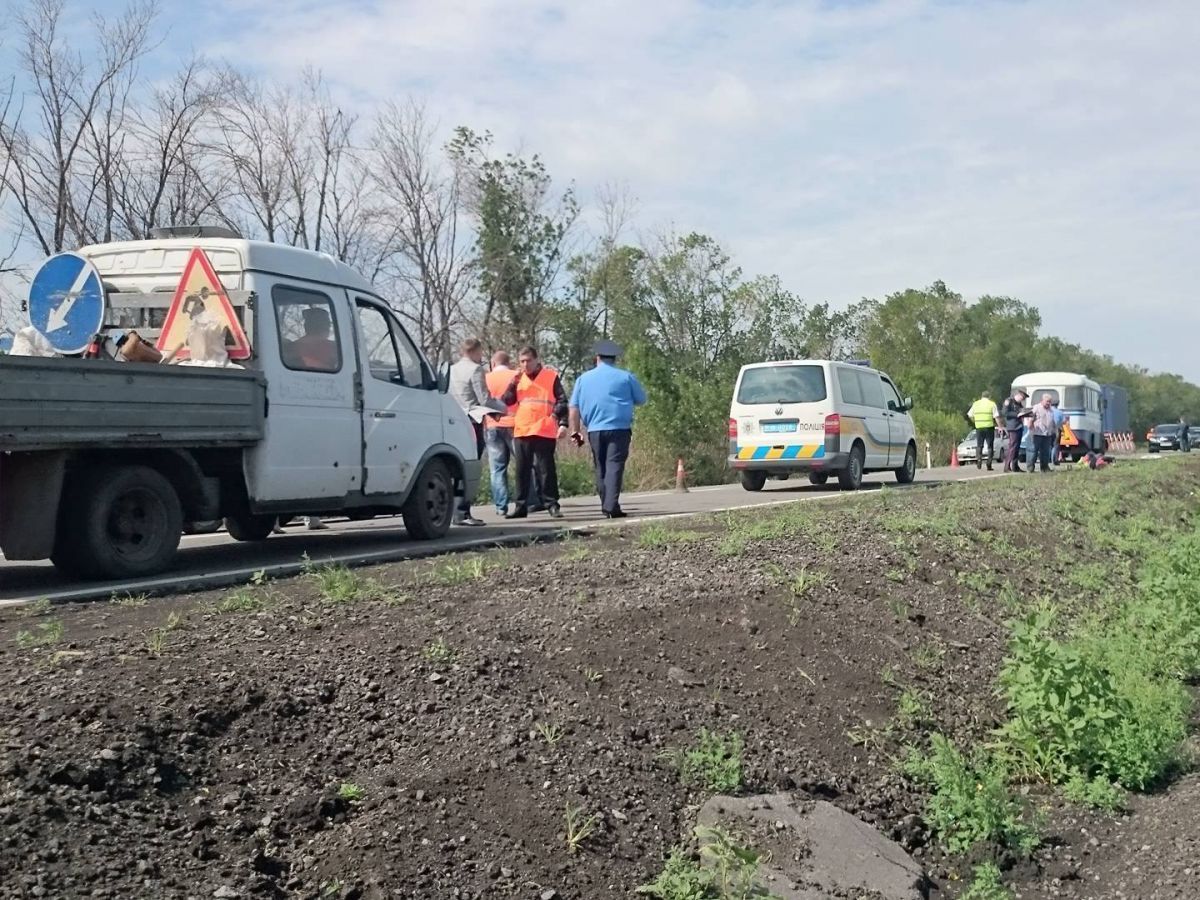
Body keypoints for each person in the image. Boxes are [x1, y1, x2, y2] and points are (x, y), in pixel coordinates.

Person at [568, 339, 647, 518]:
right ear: (615, 359)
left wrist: (575, 430)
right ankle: (611, 506)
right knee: (614, 465)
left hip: (594, 429)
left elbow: (574, 407)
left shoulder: (583, 379)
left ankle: (608, 505)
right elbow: (641, 399)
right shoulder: (626, 377)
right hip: (619, 427)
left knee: (600, 467)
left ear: (597, 357)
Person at [501, 346, 568, 519]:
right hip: (523, 429)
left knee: (546, 469)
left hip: (544, 428)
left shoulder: (550, 376)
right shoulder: (518, 379)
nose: (525, 364)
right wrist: (512, 383)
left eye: (528, 360)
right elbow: (507, 400)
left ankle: (552, 504)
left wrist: (556, 416)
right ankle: (521, 506)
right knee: (522, 470)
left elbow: (562, 400)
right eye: (522, 361)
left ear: (537, 359)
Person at [484, 351, 545, 515]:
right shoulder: (517, 376)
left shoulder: (486, 378)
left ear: (493, 363)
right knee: (524, 465)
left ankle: (500, 506)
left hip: (492, 425)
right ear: (509, 362)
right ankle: (531, 501)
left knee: (497, 469)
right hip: (514, 424)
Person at [447, 338, 498, 526]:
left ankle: (454, 511)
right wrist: (500, 408)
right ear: (476, 351)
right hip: (472, 420)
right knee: (470, 466)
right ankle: (463, 512)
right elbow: (484, 399)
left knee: (455, 467)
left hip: (453, 421)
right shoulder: (475, 370)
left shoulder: (451, 369)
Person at [284, 307, 338, 371]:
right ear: (325, 326)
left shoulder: (291, 347)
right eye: (328, 324)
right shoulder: (334, 348)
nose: (329, 327)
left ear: (306, 326)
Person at [966, 390, 1002, 471]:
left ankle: (979, 460)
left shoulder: (976, 404)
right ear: (989, 396)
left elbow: (969, 415)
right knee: (990, 445)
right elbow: (996, 417)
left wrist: (975, 421)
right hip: (989, 427)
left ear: (981, 396)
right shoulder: (992, 404)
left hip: (979, 427)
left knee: (979, 445)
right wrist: (1000, 427)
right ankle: (989, 463)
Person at [1027, 394, 1057, 473]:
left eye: (1050, 402)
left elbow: (1052, 421)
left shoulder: (1051, 410)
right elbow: (1031, 419)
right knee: (1033, 451)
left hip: (1047, 434)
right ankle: (1030, 468)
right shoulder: (1036, 407)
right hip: (1037, 433)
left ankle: (1044, 467)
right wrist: (1030, 428)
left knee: (1046, 452)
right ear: (1042, 400)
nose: (1048, 403)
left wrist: (1054, 431)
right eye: (1047, 401)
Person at [1000, 389, 1027, 473]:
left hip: (1019, 426)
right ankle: (1007, 466)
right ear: (1018, 395)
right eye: (1022, 397)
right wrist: (1017, 415)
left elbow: (1021, 411)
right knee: (1012, 447)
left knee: (1017, 447)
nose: (1022, 399)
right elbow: (1005, 413)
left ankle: (1015, 466)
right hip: (1012, 427)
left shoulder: (1019, 404)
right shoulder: (1009, 401)